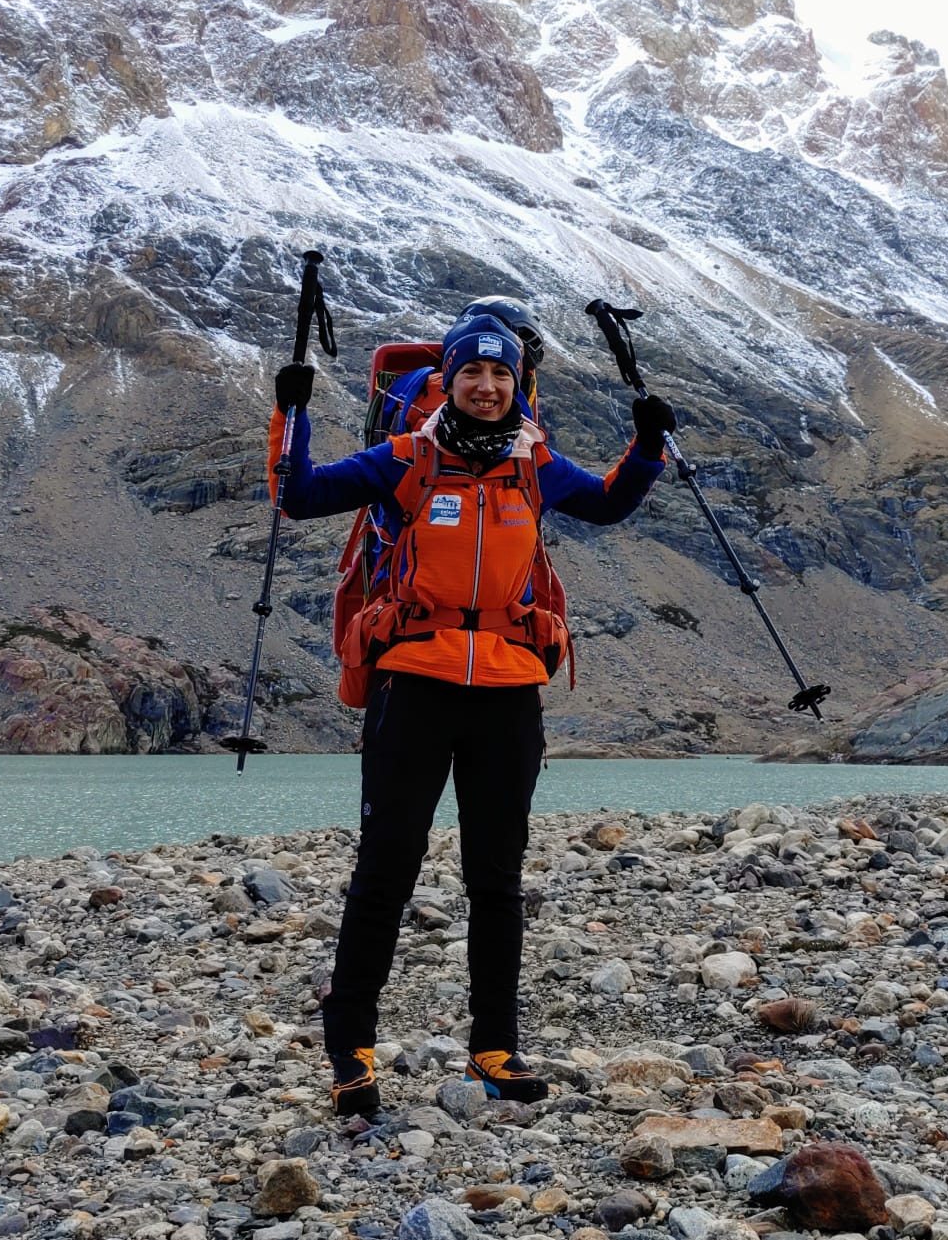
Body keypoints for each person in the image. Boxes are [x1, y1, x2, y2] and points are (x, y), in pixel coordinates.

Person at [266, 296, 674, 1117]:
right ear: (448, 380)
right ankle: (351, 1049)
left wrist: (648, 443)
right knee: (386, 867)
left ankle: (495, 1044)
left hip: (506, 690)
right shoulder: (405, 457)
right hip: (411, 683)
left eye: (500, 372)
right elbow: (300, 496)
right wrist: (292, 412)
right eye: (472, 372)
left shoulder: (536, 462)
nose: (487, 386)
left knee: (497, 876)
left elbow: (608, 503)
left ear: (517, 382)